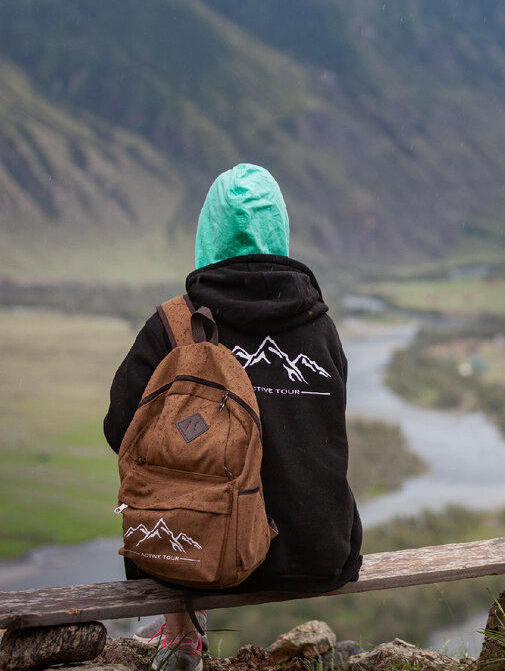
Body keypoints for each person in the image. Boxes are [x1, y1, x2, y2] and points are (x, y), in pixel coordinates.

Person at [104, 163, 363, 671]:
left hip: (199, 561)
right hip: (319, 554)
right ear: (279, 232)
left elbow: (121, 432)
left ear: (209, 232)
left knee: (158, 484)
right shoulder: (320, 327)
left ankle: (180, 638)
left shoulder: (175, 327)